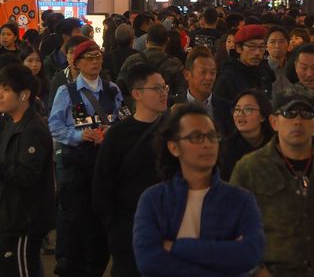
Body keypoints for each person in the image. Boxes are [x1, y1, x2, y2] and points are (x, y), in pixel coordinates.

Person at [231, 85, 314, 277]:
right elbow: (234, 229)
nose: (298, 121)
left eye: (306, 114)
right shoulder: (250, 168)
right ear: (274, 121)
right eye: (289, 114)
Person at [133, 103, 265, 277]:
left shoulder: (240, 199)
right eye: (196, 137)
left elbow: (250, 254)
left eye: (212, 137)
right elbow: (150, 263)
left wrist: (176, 247)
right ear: (173, 147)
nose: (207, 144)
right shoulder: (154, 199)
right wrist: (223, 259)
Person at [48, 39, 123, 277]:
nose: (95, 62)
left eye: (97, 56)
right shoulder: (66, 91)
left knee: (102, 223)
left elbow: (121, 120)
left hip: (105, 165)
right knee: (77, 224)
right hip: (77, 166)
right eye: (88, 58)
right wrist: (80, 136)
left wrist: (112, 132)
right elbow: (55, 126)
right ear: (77, 63)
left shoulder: (113, 90)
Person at [93, 63, 169, 277]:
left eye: (165, 87)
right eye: (156, 89)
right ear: (137, 94)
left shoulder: (175, 130)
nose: (163, 93)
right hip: (129, 231)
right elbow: (102, 187)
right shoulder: (118, 136)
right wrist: (114, 230)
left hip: (170, 229)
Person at [0, 64, 55, 277]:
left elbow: (27, 176)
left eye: (6, 89)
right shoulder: (12, 122)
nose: (1, 94)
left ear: (24, 95)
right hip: (12, 214)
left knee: (24, 269)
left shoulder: (32, 129)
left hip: (26, 219)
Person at [172, 46, 233, 135]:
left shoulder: (226, 109)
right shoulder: (171, 106)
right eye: (203, 72)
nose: (209, 78)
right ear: (187, 75)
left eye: (212, 73)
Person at [118, 23, 185, 100]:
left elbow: (120, 87)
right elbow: (181, 92)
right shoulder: (175, 63)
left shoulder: (132, 60)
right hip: (165, 106)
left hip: (138, 106)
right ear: (167, 41)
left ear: (147, 40)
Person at [220, 89, 273, 181]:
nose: (240, 114)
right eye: (237, 109)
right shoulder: (225, 148)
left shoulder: (276, 144)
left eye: (248, 109)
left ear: (262, 116)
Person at [214, 24, 274, 102]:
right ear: (239, 48)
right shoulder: (227, 78)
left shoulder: (265, 72)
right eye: (252, 47)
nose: (257, 53)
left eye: (261, 47)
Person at [48, 34, 87, 110]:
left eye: (79, 53)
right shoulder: (58, 79)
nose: (75, 57)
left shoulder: (98, 76)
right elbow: (52, 109)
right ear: (66, 55)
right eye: (71, 52)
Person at [19, 43, 50, 113]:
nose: (35, 64)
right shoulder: (17, 84)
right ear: (22, 62)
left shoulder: (47, 83)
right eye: (30, 60)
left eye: (38, 60)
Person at [267, 27, 290, 93]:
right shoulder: (262, 70)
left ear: (288, 45)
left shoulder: (294, 69)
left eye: (281, 41)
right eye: (272, 42)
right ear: (266, 46)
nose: (277, 46)